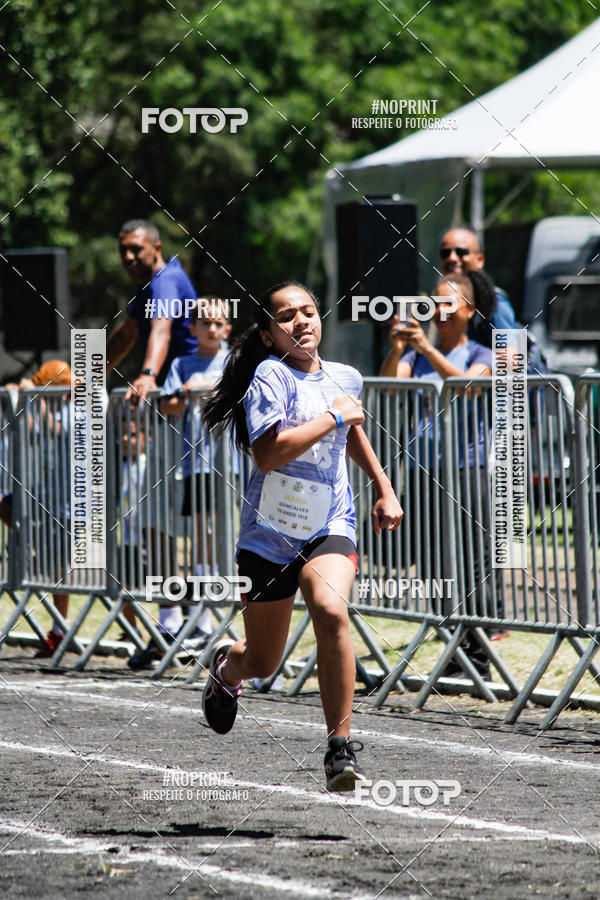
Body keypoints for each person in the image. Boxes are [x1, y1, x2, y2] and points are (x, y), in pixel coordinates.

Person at [202, 281, 403, 792]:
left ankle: (339, 749)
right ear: (268, 335)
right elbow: (268, 454)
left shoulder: (346, 376)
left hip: (329, 523)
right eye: (286, 316)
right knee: (263, 660)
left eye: (308, 311)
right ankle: (228, 668)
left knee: (331, 612)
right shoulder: (270, 376)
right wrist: (333, 415)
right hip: (268, 536)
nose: (301, 321)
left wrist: (383, 487)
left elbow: (351, 432)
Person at [380, 274, 494, 680]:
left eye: (449, 303)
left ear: (469, 309)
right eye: (434, 304)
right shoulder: (415, 357)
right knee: (432, 565)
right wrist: (398, 349)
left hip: (467, 469)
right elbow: (389, 388)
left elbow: (470, 387)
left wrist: (426, 347)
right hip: (424, 471)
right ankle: (452, 652)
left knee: (471, 565)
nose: (440, 311)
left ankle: (478, 658)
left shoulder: (484, 352)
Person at [127, 299, 231, 670]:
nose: (212, 329)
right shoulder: (181, 363)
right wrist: (186, 394)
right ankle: (174, 625)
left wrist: (208, 388)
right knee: (183, 536)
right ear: (193, 329)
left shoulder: (235, 361)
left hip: (227, 463)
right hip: (189, 464)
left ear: (228, 328)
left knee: (212, 536)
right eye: (205, 323)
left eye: (218, 323)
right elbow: (166, 405)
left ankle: (205, 620)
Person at [1, 361, 73, 658]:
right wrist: (16, 399)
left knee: (57, 568)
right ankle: (28, 544)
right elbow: (30, 430)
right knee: (4, 503)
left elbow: (55, 430)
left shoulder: (73, 410)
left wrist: (35, 397)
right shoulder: (47, 407)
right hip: (44, 495)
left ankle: (60, 630)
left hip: (67, 503)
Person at [107, 219, 198, 402]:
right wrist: (90, 376)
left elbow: (161, 329)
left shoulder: (165, 282)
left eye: (136, 249)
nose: (128, 257)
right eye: (123, 250)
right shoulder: (149, 285)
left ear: (157, 248)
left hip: (186, 394)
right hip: (171, 394)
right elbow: (126, 334)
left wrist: (148, 374)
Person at [439, 227, 546, 373]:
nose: (452, 258)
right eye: (445, 253)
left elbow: (510, 364)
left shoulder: (492, 301)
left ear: (479, 260)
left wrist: (481, 370)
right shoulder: (442, 303)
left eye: (461, 252)